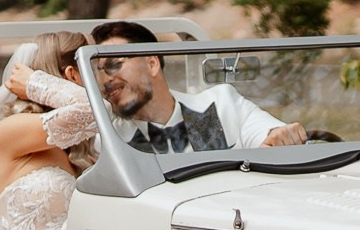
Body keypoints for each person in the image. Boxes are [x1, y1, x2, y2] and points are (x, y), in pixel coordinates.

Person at [89, 19, 305, 152]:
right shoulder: (107, 140)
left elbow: (270, 136)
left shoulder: (223, 103)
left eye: (115, 65)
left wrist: (280, 137)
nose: (106, 79)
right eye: (99, 72)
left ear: (152, 64)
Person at [0, 30, 96, 230]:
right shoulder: (9, 131)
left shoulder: (77, 140)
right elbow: (96, 111)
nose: (104, 81)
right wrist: (35, 84)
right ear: (72, 75)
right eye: (95, 70)